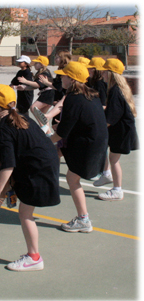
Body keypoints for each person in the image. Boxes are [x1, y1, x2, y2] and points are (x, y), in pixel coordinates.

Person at [0, 84, 60, 271]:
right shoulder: (18, 118)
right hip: (41, 162)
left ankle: (34, 257)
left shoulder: (5, 128)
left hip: (38, 169)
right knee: (6, 185)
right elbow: (1, 158)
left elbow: (8, 165)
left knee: (25, 214)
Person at [50, 61, 108, 233]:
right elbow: (84, 120)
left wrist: (47, 140)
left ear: (72, 79)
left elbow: (62, 133)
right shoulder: (91, 95)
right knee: (63, 162)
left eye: (64, 75)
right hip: (97, 143)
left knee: (72, 179)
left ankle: (83, 219)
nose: (60, 77)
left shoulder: (73, 99)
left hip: (87, 145)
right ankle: (83, 218)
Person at [93, 58, 139, 200]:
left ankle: (117, 190)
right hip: (121, 130)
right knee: (106, 152)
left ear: (111, 73)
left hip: (122, 132)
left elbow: (112, 117)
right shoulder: (118, 89)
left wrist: (97, 127)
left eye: (106, 71)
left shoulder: (115, 91)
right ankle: (107, 175)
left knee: (113, 159)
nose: (103, 73)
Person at [16, 56, 54, 134]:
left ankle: (43, 127)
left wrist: (25, 81)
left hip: (48, 94)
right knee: (42, 115)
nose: (34, 64)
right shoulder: (43, 72)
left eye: (36, 63)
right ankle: (48, 133)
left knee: (33, 108)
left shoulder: (43, 73)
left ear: (41, 64)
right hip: (48, 93)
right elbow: (35, 86)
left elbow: (37, 85)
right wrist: (24, 88)